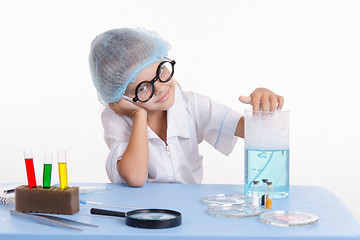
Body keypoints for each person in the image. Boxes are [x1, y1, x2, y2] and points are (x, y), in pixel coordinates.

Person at [89, 28, 284, 187]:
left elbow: (256, 132)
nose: (160, 88)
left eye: (161, 71)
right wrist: (139, 115)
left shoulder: (192, 104)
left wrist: (262, 104)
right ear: (121, 97)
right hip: (142, 214)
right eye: (143, 88)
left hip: (188, 212)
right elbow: (135, 177)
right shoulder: (116, 119)